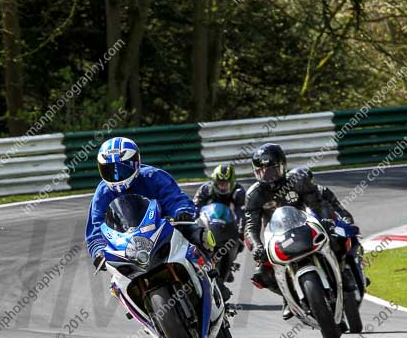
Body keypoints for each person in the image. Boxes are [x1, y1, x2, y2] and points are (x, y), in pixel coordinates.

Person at [85, 136, 211, 270]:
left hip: (165, 230)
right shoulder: (102, 193)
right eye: (108, 170)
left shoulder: (153, 176)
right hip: (128, 247)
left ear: (135, 163)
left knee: (200, 236)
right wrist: (98, 251)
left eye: (122, 169)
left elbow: (174, 198)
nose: (116, 176)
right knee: (116, 281)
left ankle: (212, 275)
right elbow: (96, 229)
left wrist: (182, 211)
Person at [242, 143, 295, 319]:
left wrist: (325, 219)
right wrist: (257, 246)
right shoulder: (254, 194)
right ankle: (290, 297)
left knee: (337, 237)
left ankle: (348, 271)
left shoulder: (297, 181)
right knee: (261, 274)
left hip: (307, 227)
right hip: (278, 237)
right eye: (261, 171)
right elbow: (251, 226)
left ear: (282, 166)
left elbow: (318, 201)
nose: (267, 175)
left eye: (271, 170)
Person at [193, 164, 246, 236]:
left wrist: (240, 232)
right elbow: (195, 207)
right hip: (209, 224)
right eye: (220, 184)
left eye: (226, 184)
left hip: (230, 226)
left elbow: (242, 213)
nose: (223, 187)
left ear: (232, 182)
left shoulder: (238, 192)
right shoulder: (206, 189)